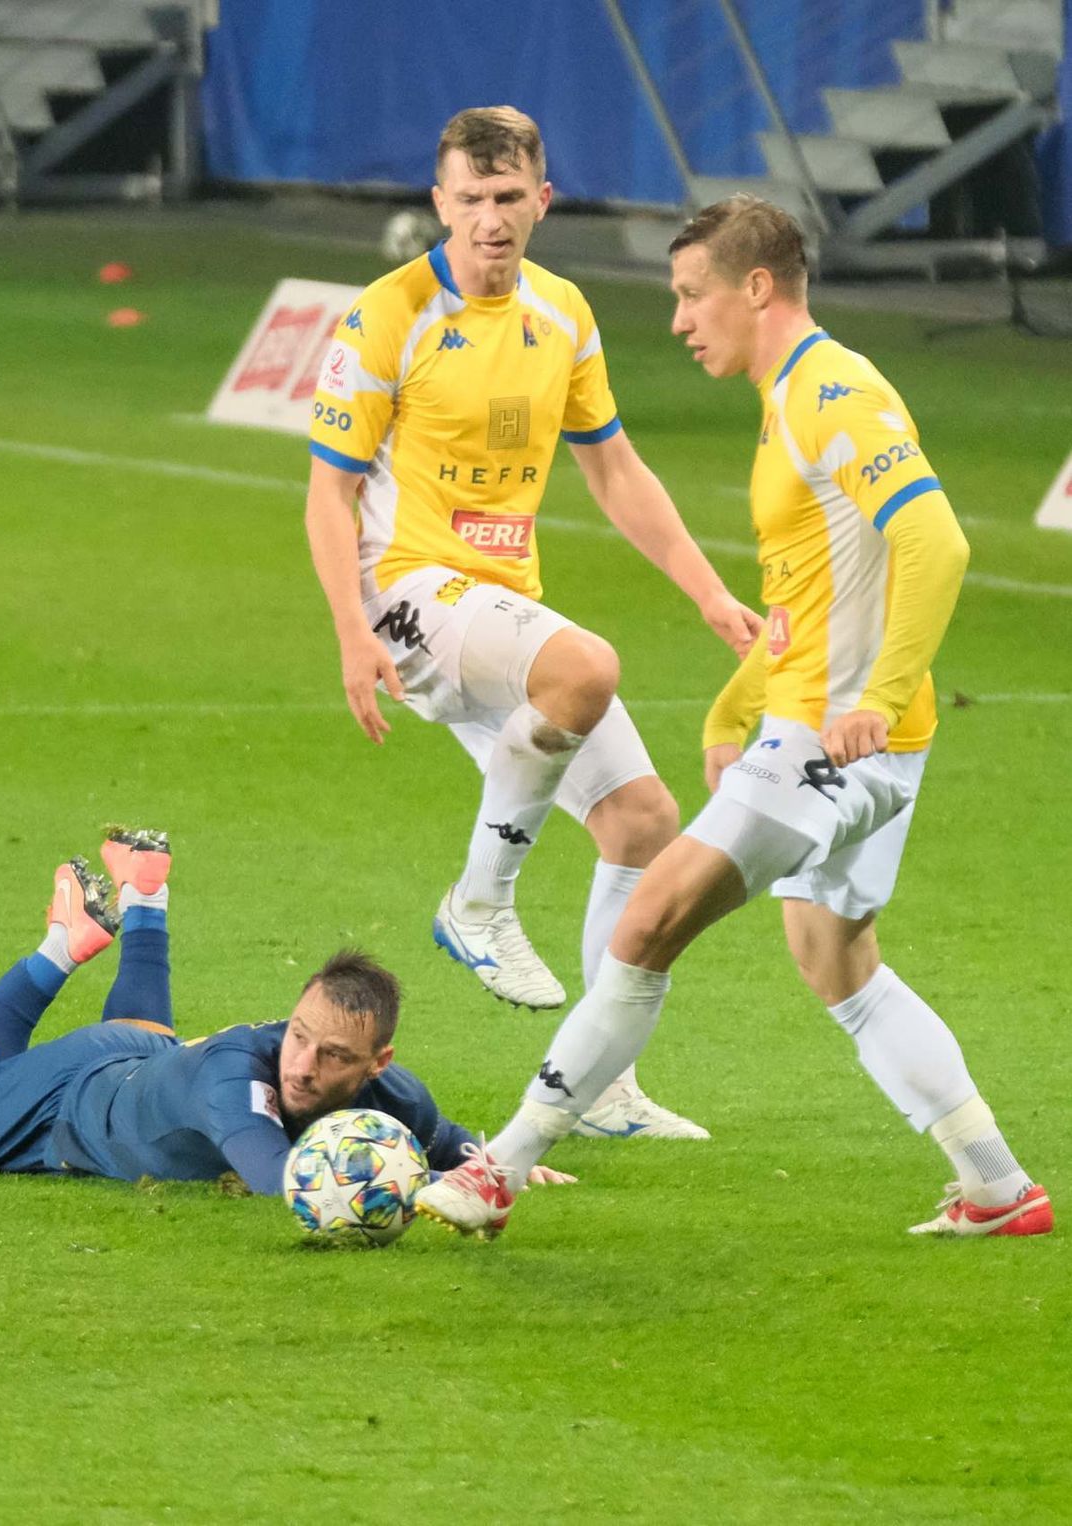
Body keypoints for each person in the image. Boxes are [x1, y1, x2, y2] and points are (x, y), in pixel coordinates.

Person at [415, 195, 1053, 1240]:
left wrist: (873, 700)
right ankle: (996, 1184)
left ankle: (501, 1167)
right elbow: (814, 585)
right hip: (845, 736)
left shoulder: (832, 392)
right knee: (835, 959)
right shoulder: (791, 393)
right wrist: (735, 701)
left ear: (757, 287)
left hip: (835, 742)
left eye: (690, 294)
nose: (678, 319)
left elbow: (936, 544)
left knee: (647, 918)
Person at [305, 105, 761, 1142]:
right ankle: (478, 901)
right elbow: (328, 494)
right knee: (586, 666)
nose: (490, 219)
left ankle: (597, 1084)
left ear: (543, 201)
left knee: (644, 822)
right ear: (439, 203)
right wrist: (349, 628)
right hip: (410, 596)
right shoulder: (391, 313)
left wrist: (705, 588)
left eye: (510, 198)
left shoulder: (563, 313)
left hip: (496, 604)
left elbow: (613, 466)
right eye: (470, 199)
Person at [0, 827, 573, 1194]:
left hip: (143, 1056)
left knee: (149, 1041)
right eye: (299, 1037)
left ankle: (145, 902)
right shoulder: (237, 1083)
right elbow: (279, 1178)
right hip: (68, 1100)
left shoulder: (394, 1093)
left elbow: (445, 1135)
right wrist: (419, 1181)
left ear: (376, 1063)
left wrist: (498, 1163)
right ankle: (59, 947)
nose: (302, 1065)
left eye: (333, 1055)